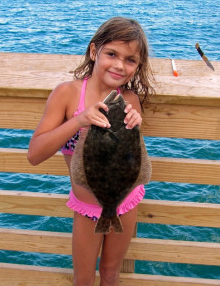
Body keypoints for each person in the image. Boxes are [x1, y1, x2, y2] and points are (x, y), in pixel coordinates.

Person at [27, 17, 154, 286]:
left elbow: (134, 158)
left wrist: (135, 127)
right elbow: (34, 155)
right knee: (83, 279)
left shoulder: (129, 100)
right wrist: (79, 120)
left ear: (138, 66)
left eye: (130, 60)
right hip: (87, 207)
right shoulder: (67, 94)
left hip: (125, 200)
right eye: (111, 54)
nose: (119, 64)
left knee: (110, 273)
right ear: (94, 51)